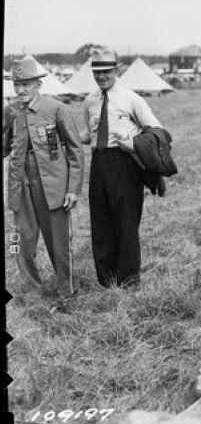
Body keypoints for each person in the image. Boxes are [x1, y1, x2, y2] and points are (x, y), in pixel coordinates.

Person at [3, 56, 84, 300]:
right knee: (19, 240)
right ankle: (31, 290)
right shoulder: (10, 111)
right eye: (17, 84)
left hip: (53, 185)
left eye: (26, 84)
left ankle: (65, 290)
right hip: (20, 184)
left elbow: (75, 150)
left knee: (59, 241)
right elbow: (4, 146)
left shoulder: (56, 108)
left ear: (38, 84)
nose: (21, 90)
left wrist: (73, 189)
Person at [84, 46, 162, 289]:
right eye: (97, 72)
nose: (102, 77)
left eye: (106, 71)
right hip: (99, 164)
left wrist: (133, 143)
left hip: (125, 165)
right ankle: (106, 281)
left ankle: (129, 282)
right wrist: (66, 136)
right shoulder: (90, 100)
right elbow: (90, 132)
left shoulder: (131, 99)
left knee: (126, 223)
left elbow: (157, 131)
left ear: (116, 70)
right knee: (101, 222)